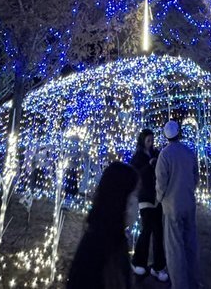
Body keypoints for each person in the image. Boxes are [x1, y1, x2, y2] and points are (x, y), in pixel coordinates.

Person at [66, 161, 139, 289]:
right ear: (120, 199)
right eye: (134, 195)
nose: (137, 202)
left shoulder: (116, 238)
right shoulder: (96, 247)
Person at [156, 120, 200, 289]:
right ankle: (193, 281)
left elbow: (161, 182)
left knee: (174, 247)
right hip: (188, 202)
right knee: (190, 243)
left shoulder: (164, 155)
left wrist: (160, 198)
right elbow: (195, 176)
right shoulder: (188, 152)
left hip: (172, 205)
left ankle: (180, 284)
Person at [130, 129, 168, 281]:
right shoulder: (138, 157)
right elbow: (136, 174)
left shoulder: (156, 153)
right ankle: (138, 261)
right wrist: (148, 165)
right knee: (147, 230)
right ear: (142, 141)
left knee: (158, 232)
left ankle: (158, 266)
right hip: (145, 197)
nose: (151, 143)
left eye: (152, 140)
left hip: (157, 197)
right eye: (148, 140)